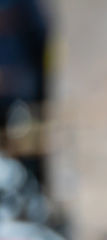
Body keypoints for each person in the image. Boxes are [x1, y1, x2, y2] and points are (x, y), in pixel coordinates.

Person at [0, 0, 51, 187]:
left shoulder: (24, 5)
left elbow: (40, 38)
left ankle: (33, 192)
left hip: (22, 95)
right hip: (18, 92)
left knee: (28, 155)